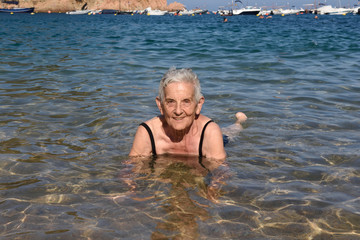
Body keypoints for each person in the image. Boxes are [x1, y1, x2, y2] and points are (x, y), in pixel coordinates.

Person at [129, 68, 246, 159]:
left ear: (199, 105)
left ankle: (239, 122)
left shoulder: (209, 132)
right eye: (170, 102)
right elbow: (130, 168)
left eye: (186, 102)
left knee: (229, 134)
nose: (178, 111)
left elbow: (220, 172)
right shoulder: (147, 132)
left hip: (214, 138)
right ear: (160, 105)